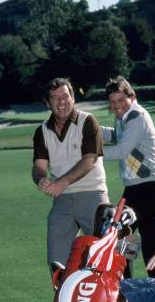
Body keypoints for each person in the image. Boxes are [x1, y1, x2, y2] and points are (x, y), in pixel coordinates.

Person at [32, 77, 109, 272]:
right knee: (57, 260)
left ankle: (111, 301)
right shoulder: (42, 131)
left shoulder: (88, 121)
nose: (61, 101)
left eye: (65, 96)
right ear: (48, 102)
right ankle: (63, 301)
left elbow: (90, 160)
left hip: (93, 194)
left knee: (103, 254)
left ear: (73, 97)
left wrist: (63, 182)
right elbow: (39, 166)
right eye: (55, 98)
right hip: (62, 199)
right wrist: (41, 179)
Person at [101, 76, 155, 278]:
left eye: (121, 100)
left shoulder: (137, 116)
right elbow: (117, 135)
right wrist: (92, 129)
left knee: (150, 241)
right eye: (112, 102)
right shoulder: (124, 118)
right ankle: (127, 286)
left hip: (147, 186)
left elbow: (121, 151)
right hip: (134, 187)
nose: (116, 106)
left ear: (132, 97)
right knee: (121, 235)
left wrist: (90, 152)